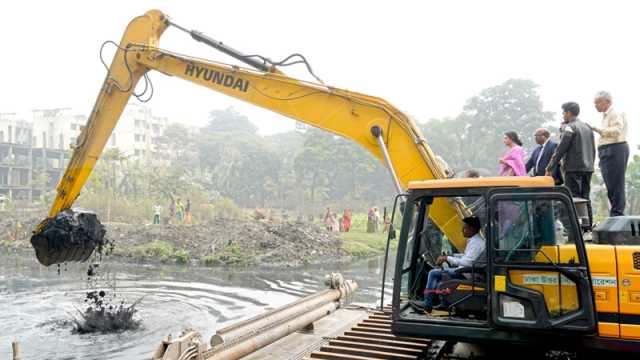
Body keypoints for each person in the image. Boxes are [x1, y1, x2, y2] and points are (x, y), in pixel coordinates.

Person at [416, 216, 484, 313]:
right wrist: (452, 255)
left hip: (466, 274)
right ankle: (443, 303)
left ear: (472, 229)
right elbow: (467, 257)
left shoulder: (476, 244)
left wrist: (447, 258)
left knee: (433, 273)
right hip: (467, 271)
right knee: (439, 274)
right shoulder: (476, 241)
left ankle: (427, 304)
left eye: (465, 228)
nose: (462, 230)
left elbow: (468, 262)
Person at [546, 102, 595, 200]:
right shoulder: (588, 128)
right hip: (588, 168)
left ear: (568, 113)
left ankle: (576, 216)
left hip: (573, 168)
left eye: (563, 113)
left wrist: (550, 166)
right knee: (585, 198)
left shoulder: (570, 127)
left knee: (574, 198)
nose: (563, 116)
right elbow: (593, 149)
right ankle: (588, 216)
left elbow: (561, 149)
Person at [591, 91, 629, 216]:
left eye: (598, 102)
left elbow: (617, 130)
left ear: (607, 102)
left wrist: (598, 130)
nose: (595, 105)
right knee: (610, 184)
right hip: (606, 150)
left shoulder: (615, 113)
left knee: (616, 183)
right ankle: (615, 212)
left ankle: (618, 213)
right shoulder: (605, 116)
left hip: (615, 148)